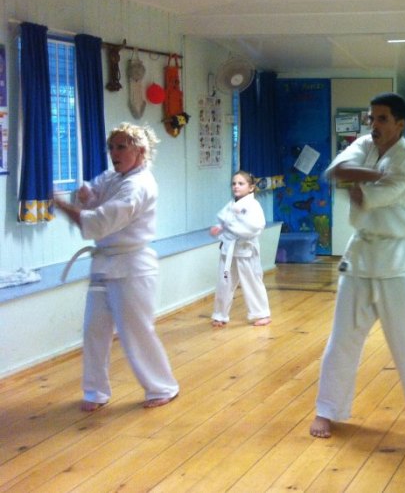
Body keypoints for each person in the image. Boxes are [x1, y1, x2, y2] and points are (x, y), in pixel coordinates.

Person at [310, 92, 405, 438]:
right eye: (372, 118)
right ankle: (327, 409)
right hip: (361, 254)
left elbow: (361, 194)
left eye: (382, 119)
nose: (374, 125)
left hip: (400, 258)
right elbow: (334, 171)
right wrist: (366, 173)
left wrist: (358, 177)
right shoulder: (366, 145)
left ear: (400, 124)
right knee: (342, 337)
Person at [54, 123, 180, 410]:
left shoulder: (139, 185)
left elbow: (100, 220)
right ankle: (95, 392)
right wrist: (84, 196)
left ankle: (162, 386)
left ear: (141, 151)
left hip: (133, 266)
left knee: (136, 332)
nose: (114, 153)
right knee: (94, 330)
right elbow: (94, 195)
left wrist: (63, 205)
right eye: (111, 147)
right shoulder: (114, 177)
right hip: (103, 262)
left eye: (121, 147)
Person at [209, 170, 271, 327]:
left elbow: (255, 227)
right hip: (228, 250)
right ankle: (220, 315)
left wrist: (230, 225)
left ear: (251, 187)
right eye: (234, 183)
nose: (236, 186)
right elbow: (223, 220)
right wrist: (219, 227)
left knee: (252, 282)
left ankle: (262, 313)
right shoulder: (231, 204)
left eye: (241, 183)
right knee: (224, 283)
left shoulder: (253, 205)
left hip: (246, 251)